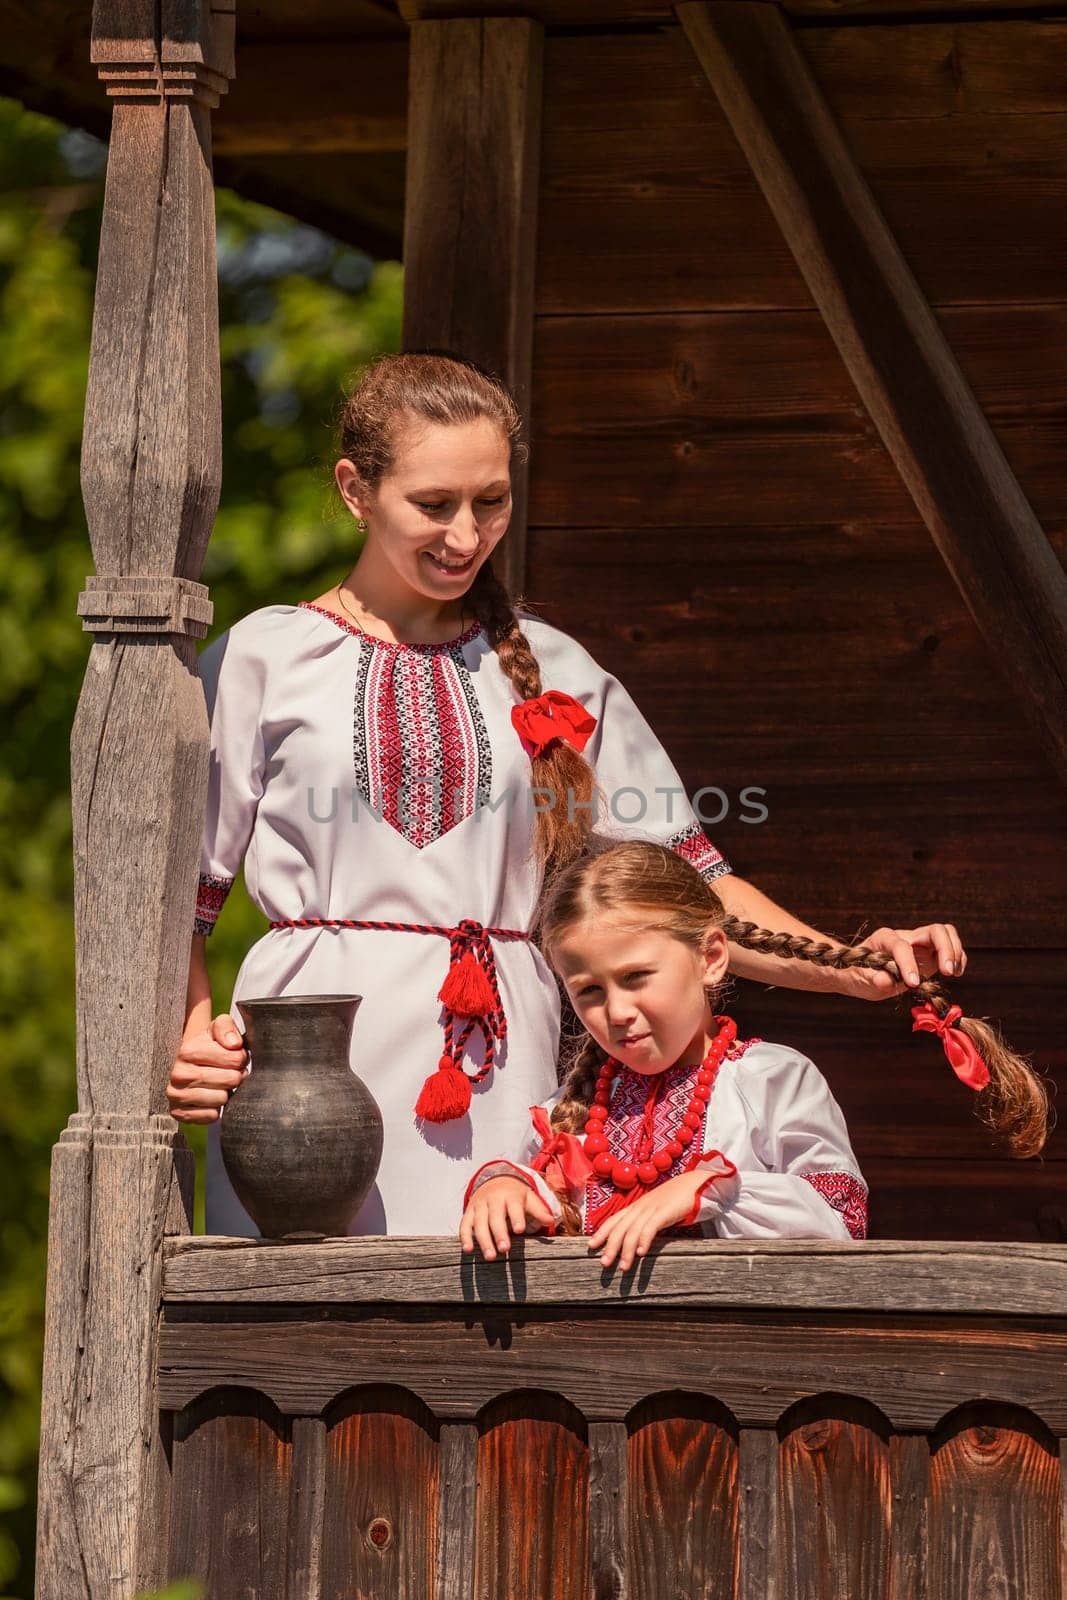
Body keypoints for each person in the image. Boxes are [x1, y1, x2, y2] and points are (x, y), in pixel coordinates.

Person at [167, 351, 975, 1237]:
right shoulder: (263, 658)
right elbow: (177, 906)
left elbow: (688, 890)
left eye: (491, 501)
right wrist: (191, 1033)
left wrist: (852, 967)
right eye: (433, 505)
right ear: (357, 490)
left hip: (502, 1061)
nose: (466, 536)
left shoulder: (557, 669)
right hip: (305, 1065)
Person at [459, 841, 1048, 1268]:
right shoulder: (580, 1105)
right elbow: (546, 1187)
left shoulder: (772, 1079)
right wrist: (503, 1188)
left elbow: (840, 1218)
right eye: (589, 990)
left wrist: (708, 1190)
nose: (615, 1011)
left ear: (713, 957)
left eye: (637, 977)